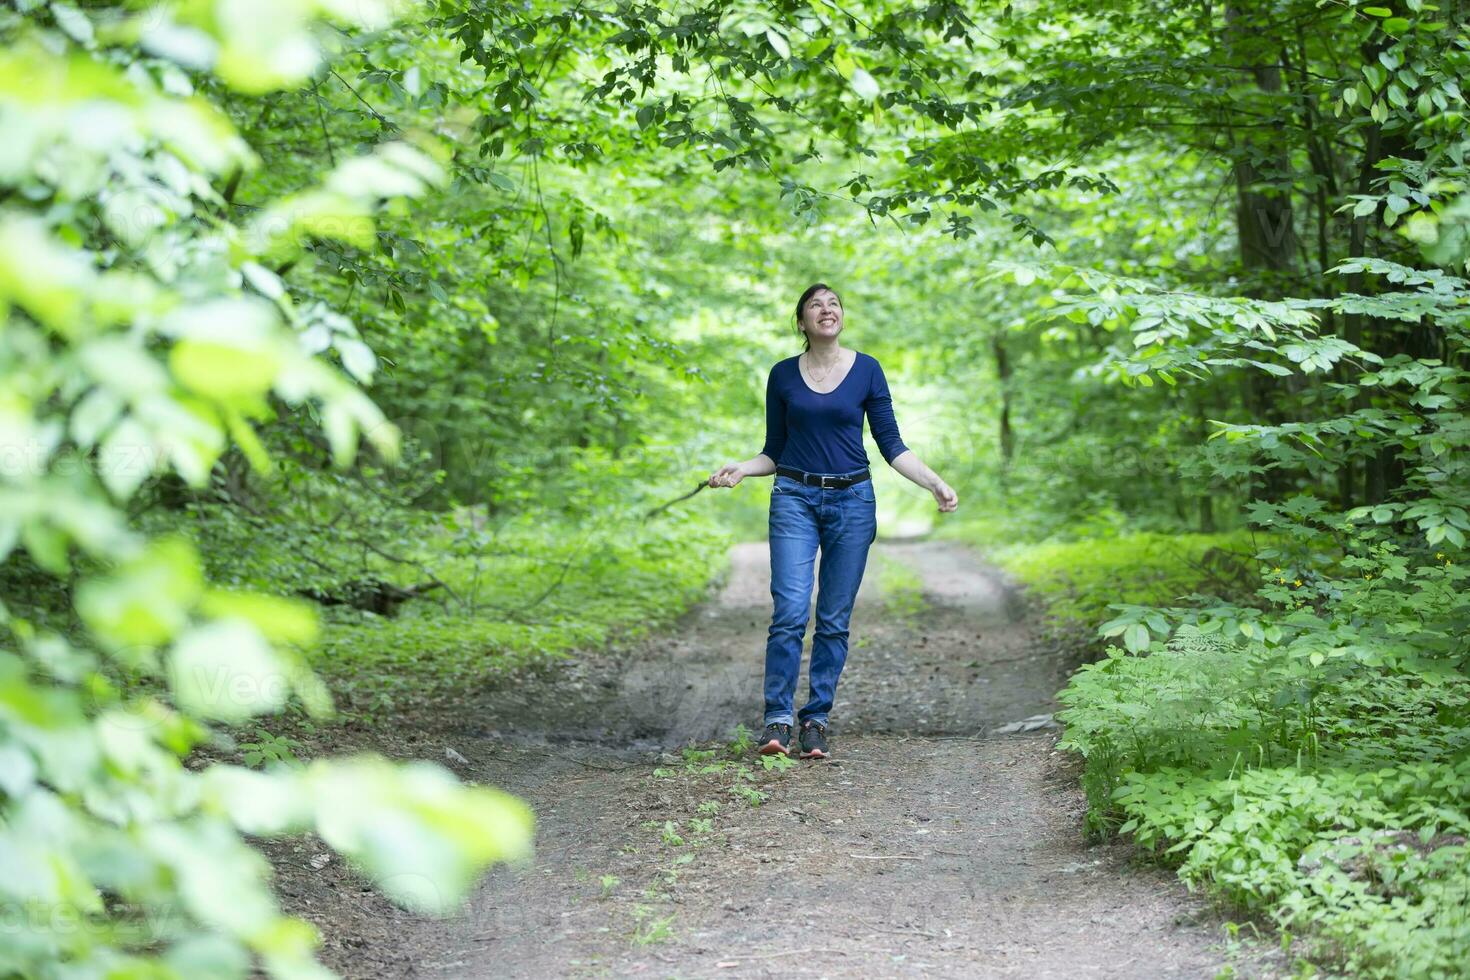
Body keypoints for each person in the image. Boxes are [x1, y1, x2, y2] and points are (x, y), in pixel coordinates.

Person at [707, 283, 958, 759]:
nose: (827, 309)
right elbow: (773, 450)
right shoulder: (782, 375)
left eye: (834, 304)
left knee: (834, 620)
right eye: (815, 305)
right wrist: (743, 469)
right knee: (789, 612)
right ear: (801, 322)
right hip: (794, 498)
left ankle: (816, 720)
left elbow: (892, 446)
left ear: (842, 317)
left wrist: (935, 483)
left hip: (853, 501)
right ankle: (777, 719)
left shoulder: (867, 370)